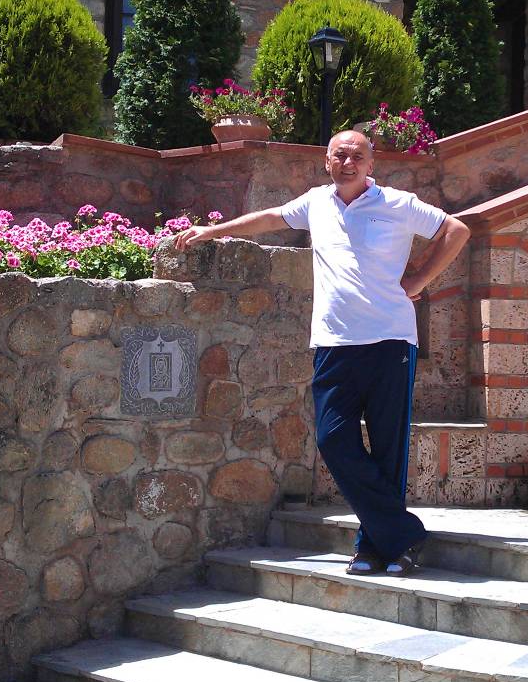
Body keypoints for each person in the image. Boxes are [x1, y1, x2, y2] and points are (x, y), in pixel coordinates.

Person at [173, 129, 470, 576]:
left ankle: (375, 547)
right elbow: (269, 217)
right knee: (333, 441)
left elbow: (456, 229)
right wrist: (212, 231)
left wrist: (419, 281)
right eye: (339, 155)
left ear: (371, 165)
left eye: (357, 156)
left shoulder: (398, 204)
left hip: (390, 340)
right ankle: (403, 534)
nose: (348, 163)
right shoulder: (316, 202)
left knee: (388, 448)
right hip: (334, 343)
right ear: (326, 162)